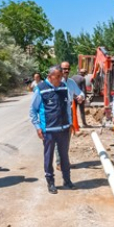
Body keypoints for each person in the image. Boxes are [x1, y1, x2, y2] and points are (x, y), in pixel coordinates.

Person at [30, 65, 76, 194]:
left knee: (64, 157)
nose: (60, 79)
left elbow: (67, 106)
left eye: (61, 76)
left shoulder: (63, 87)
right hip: (49, 130)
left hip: (63, 129)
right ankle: (50, 182)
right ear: (50, 77)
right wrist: (38, 127)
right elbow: (33, 111)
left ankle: (67, 180)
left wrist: (70, 123)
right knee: (48, 157)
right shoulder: (41, 89)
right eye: (58, 77)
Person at [55, 61, 85, 170]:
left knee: (67, 139)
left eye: (67, 69)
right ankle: (59, 163)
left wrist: (81, 97)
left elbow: (81, 93)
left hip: (69, 114)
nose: (66, 71)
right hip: (58, 114)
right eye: (64, 69)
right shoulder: (56, 82)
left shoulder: (71, 82)